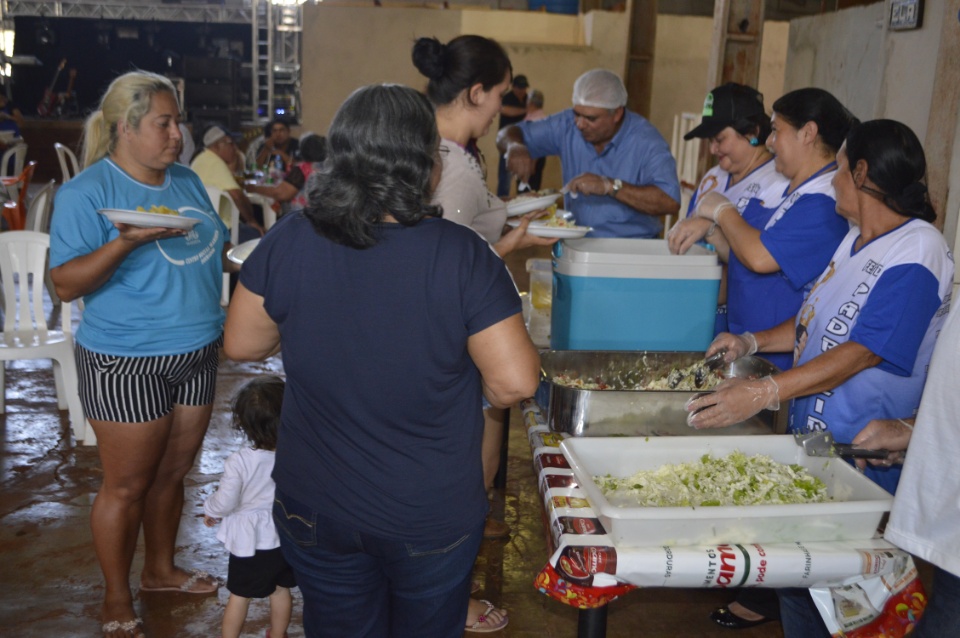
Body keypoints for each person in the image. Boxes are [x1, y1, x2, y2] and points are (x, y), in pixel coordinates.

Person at [223, 83, 541, 637]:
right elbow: (514, 384)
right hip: (428, 511)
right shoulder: (463, 254)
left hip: (316, 504)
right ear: (426, 164)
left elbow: (242, 345)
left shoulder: (292, 239)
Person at [682, 119, 953, 636]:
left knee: (854, 609)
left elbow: (864, 352)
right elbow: (816, 319)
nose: (831, 180)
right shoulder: (854, 240)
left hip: (867, 461)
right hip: (818, 450)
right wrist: (753, 342)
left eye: (841, 170)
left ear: (863, 173)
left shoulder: (919, 249)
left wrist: (763, 391)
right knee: (801, 590)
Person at [48, 71, 229, 638]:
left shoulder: (187, 182)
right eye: (164, 123)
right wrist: (124, 241)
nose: (178, 134)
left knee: (172, 476)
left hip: (197, 347)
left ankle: (158, 570)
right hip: (126, 357)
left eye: (179, 122)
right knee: (125, 485)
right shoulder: (88, 193)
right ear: (125, 128)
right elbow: (64, 284)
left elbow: (208, 254)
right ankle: (116, 594)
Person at [413, 34, 555, 632]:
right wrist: (506, 245)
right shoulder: (441, 162)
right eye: (500, 95)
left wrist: (511, 237)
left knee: (475, 466)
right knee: (463, 472)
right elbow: (439, 266)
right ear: (475, 92)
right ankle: (447, 592)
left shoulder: (450, 152)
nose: (504, 107)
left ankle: (450, 583)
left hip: (464, 327)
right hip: (457, 335)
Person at [669, 88, 854, 371]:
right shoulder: (794, 192)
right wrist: (710, 231)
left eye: (776, 131)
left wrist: (722, 210)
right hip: (753, 349)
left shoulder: (824, 202)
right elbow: (742, 253)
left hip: (780, 360)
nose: (769, 142)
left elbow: (759, 257)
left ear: (807, 133)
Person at [668, 82, 789, 342]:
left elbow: (762, 262)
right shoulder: (713, 178)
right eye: (711, 141)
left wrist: (712, 228)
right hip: (698, 312)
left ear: (753, 132)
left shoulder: (778, 185)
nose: (713, 149)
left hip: (745, 326)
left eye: (720, 139)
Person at [497, 68, 680, 238]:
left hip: (632, 250)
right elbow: (506, 134)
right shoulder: (567, 125)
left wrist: (610, 186)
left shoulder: (646, 141)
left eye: (591, 118)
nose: (580, 124)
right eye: (577, 114)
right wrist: (515, 146)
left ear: (616, 114)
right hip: (577, 243)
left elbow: (670, 201)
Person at [204, 376, 296, 638]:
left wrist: (211, 509)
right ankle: (278, 634)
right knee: (281, 590)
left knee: (239, 596)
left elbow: (226, 501)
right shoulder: (295, 454)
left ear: (242, 424)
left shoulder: (240, 461)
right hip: (284, 533)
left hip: (252, 542)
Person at [191, 125, 265, 241]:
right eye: (230, 144)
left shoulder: (202, 159)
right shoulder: (214, 162)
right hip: (222, 229)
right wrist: (251, 220)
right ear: (216, 146)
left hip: (204, 226)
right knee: (261, 237)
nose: (235, 148)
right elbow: (237, 195)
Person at [245, 132, 326, 216]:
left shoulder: (304, 169)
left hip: (302, 218)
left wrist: (253, 188)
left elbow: (281, 193)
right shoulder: (326, 167)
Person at [495, 74, 528, 197]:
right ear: (513, 87)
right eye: (519, 88)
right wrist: (525, 110)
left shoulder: (526, 98)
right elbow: (506, 110)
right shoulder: (507, 97)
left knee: (523, 174)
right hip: (507, 143)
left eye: (523, 88)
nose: (521, 91)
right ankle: (503, 202)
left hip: (523, 141)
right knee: (505, 176)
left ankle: (524, 200)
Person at [522, 89, 548, 192]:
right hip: (534, 158)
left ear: (531, 103)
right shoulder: (540, 117)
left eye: (527, 100)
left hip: (532, 159)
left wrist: (532, 164)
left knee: (529, 192)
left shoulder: (535, 120)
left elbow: (537, 144)